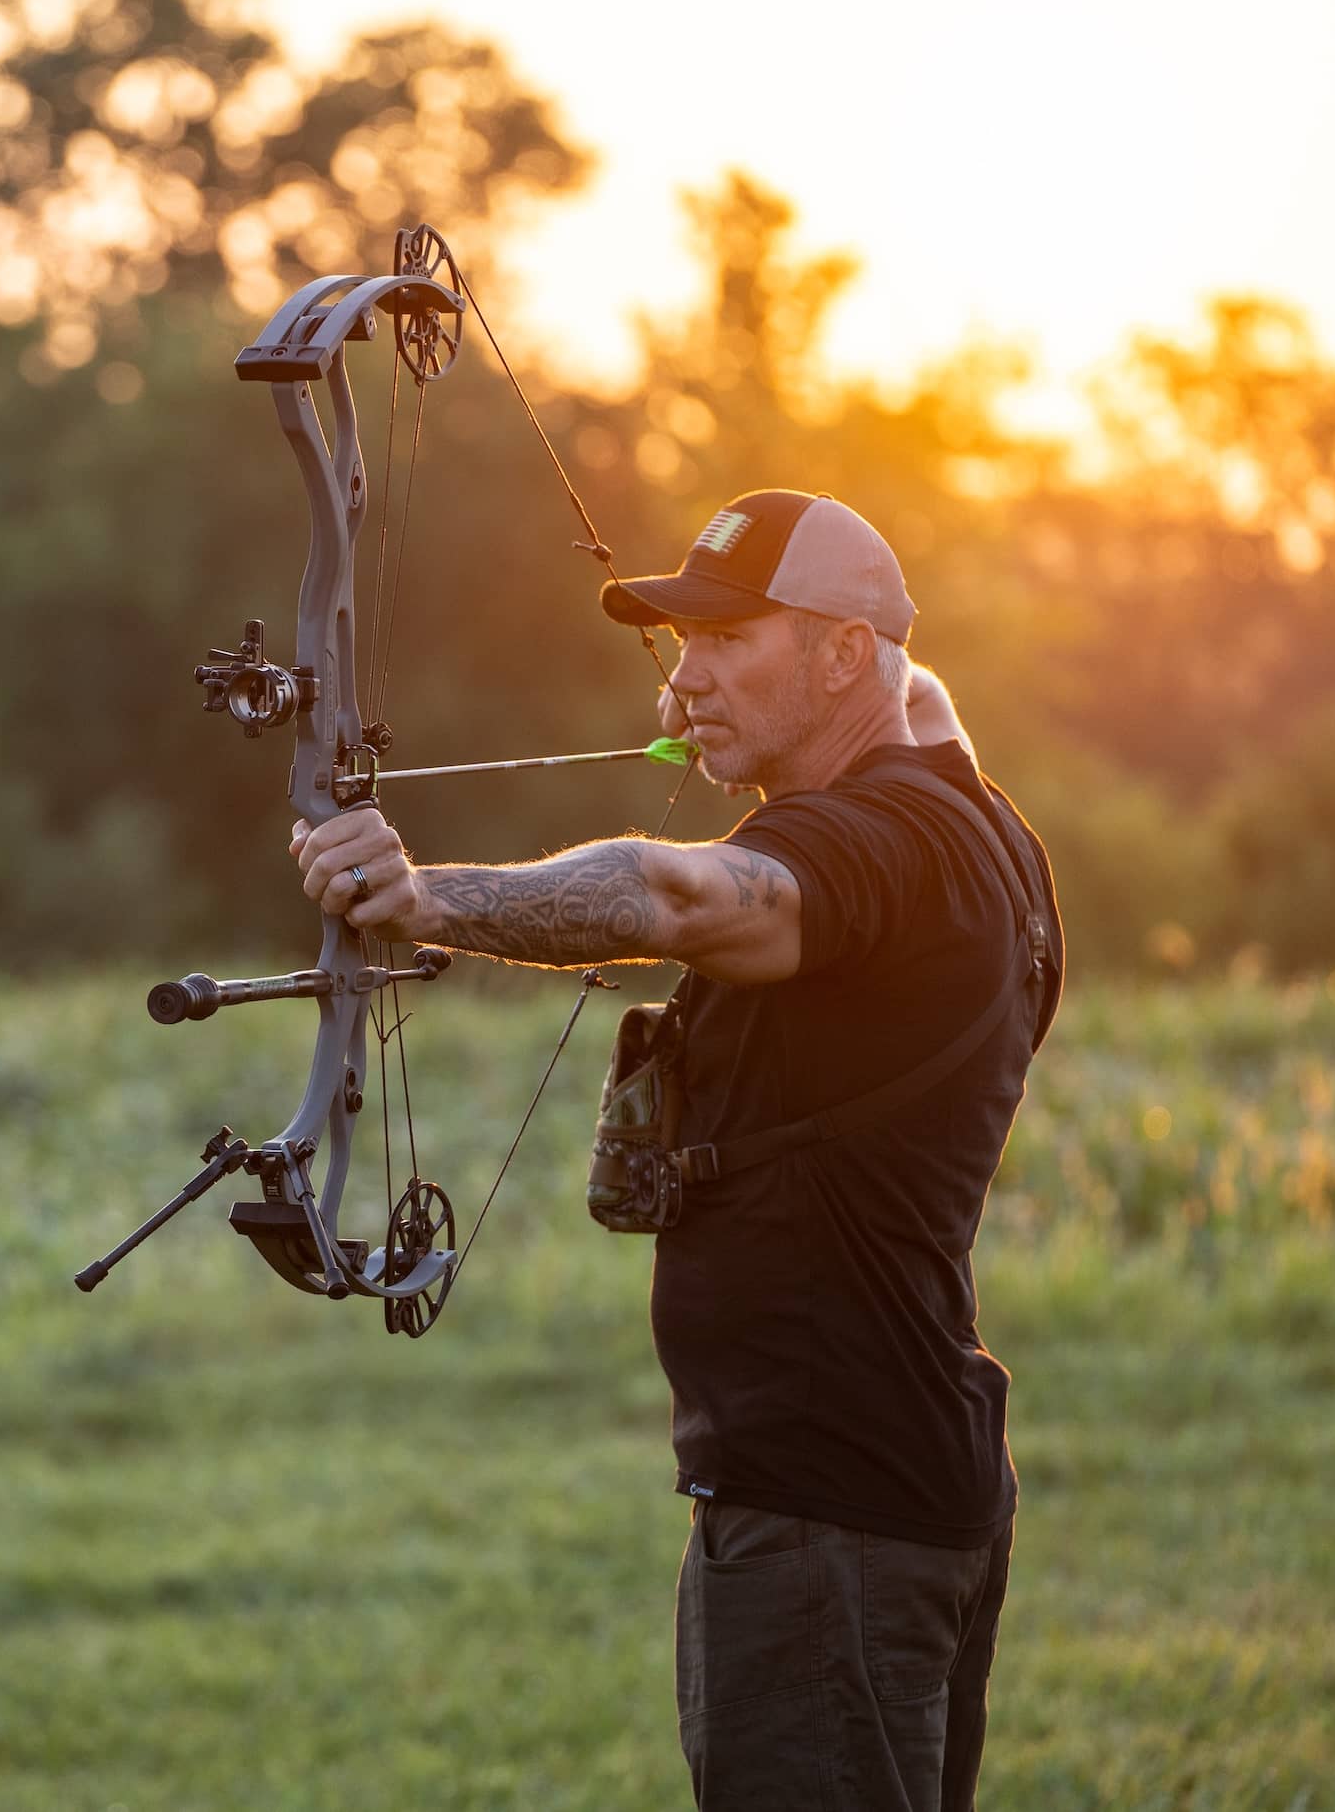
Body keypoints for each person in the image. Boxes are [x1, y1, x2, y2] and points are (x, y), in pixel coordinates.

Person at [291, 488, 1065, 1811]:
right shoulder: (979, 820)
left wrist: (427, 898)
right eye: (680, 645)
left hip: (829, 1512)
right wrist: (757, 698)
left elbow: (680, 890)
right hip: (896, 1474)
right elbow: (916, 690)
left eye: (725, 640)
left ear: (836, 655)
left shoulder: (875, 850)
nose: (685, 679)